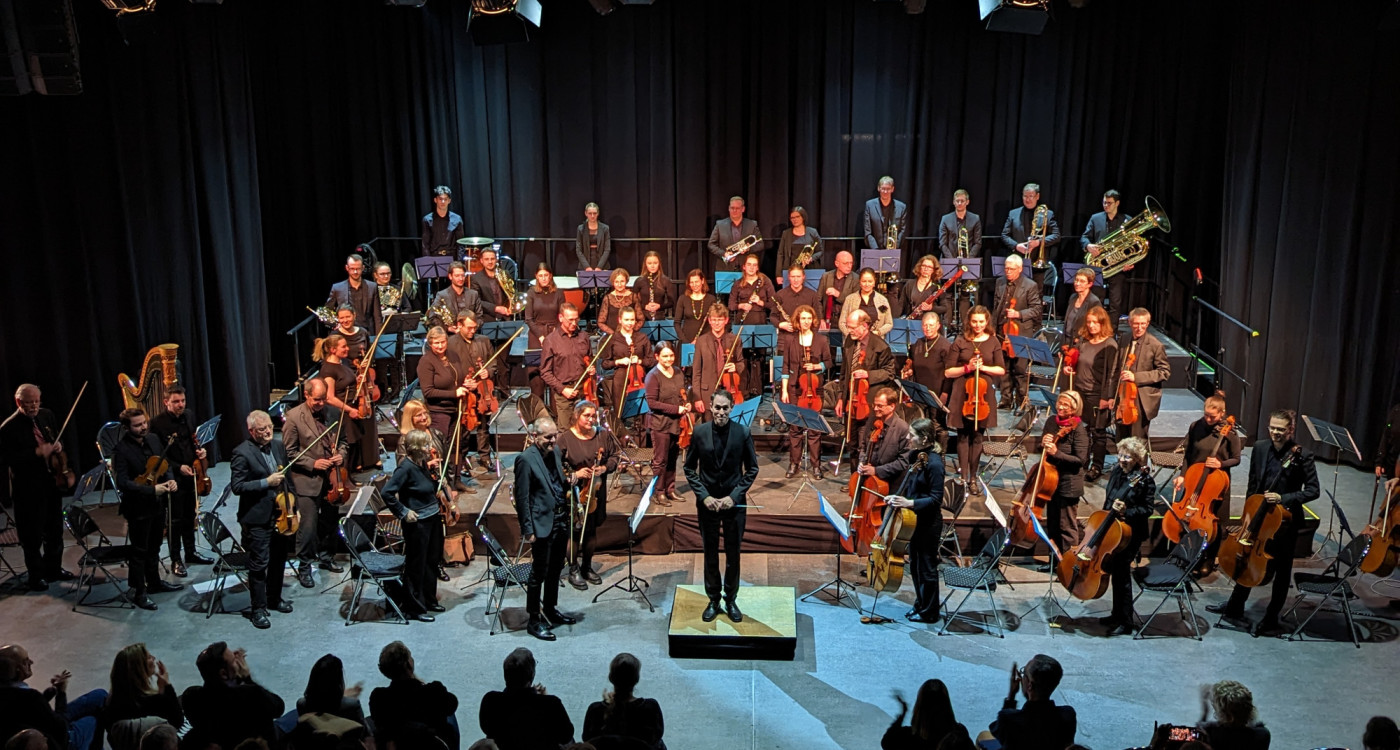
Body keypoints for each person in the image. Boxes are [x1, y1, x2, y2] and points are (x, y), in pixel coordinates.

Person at [1209, 409, 1319, 636]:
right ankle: (1234, 607)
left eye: (1281, 429)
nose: (1275, 433)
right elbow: (1253, 483)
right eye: (1272, 428)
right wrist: (1248, 515)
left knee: (1282, 571)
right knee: (1247, 557)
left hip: (1285, 522)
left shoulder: (1303, 455)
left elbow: (1312, 490)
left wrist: (1283, 498)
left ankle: (1271, 619)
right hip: (1258, 516)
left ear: (1291, 430)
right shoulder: (1260, 447)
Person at [683, 389, 759, 622]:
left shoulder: (743, 432)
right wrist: (704, 496)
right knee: (710, 553)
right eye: (717, 407)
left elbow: (752, 469)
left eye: (725, 408)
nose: (721, 412)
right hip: (708, 505)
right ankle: (713, 599)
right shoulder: (699, 432)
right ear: (710, 407)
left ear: (732, 408)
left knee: (733, 554)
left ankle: (731, 599)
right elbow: (689, 468)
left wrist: (733, 497)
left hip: (733, 505)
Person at [0, 384, 73, 591]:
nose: (33, 406)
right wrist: (36, 453)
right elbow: (7, 459)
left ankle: (54, 569)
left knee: (55, 530)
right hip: (28, 489)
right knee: (31, 536)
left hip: (51, 482)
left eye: (36, 401)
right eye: (29, 403)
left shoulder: (46, 415)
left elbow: (56, 437)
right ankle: (36, 576)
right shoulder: (8, 428)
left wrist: (58, 445)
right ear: (18, 402)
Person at [280, 379, 350, 589]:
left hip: (332, 479)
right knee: (308, 527)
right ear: (307, 395)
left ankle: (327, 557)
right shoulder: (294, 417)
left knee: (330, 522)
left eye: (323, 399)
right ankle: (304, 566)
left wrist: (341, 455)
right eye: (317, 400)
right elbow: (289, 453)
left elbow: (343, 442)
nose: (321, 403)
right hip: (307, 481)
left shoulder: (334, 413)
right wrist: (313, 463)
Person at [111, 408, 184, 610]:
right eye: (137, 425)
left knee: (154, 546)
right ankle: (139, 591)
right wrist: (151, 490)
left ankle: (154, 583)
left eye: (144, 423)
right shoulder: (121, 450)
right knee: (139, 551)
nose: (143, 427)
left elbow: (164, 463)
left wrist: (170, 480)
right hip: (138, 508)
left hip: (157, 504)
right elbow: (123, 482)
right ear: (127, 428)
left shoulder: (153, 439)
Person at [229, 410, 295, 630]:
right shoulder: (241, 452)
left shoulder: (278, 446)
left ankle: (274, 598)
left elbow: (288, 479)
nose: (267, 431)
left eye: (269, 427)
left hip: (281, 514)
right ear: (251, 431)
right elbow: (238, 486)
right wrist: (266, 482)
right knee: (259, 565)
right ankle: (258, 609)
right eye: (262, 429)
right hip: (257, 518)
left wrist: (293, 507)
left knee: (279, 559)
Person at [514, 418, 576, 641]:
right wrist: (527, 529)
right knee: (538, 572)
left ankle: (550, 608)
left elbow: (558, 482)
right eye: (548, 437)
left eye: (555, 435)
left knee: (556, 568)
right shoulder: (525, 459)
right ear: (534, 436)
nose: (553, 440)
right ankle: (534, 619)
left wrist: (571, 480)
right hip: (541, 523)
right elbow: (522, 498)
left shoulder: (556, 452)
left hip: (560, 519)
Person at [382, 429, 449, 622]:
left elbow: (426, 489)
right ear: (416, 448)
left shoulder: (422, 464)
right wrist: (403, 512)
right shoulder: (405, 468)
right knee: (416, 565)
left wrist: (439, 482)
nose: (430, 448)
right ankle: (414, 608)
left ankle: (429, 600)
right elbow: (387, 493)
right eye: (426, 445)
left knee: (432, 561)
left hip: (432, 518)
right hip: (418, 523)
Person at [883, 419, 945, 624]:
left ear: (925, 438)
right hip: (913, 520)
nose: (908, 438)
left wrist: (909, 503)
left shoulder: (934, 464)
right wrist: (897, 498)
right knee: (916, 566)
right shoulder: (915, 456)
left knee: (927, 568)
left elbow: (936, 499)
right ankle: (920, 604)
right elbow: (911, 487)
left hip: (928, 524)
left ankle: (930, 612)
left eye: (912, 435)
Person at [1173, 392, 1242, 574]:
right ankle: (1188, 554)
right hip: (1194, 480)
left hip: (1216, 484)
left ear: (1222, 413)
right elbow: (1188, 454)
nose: (1208, 419)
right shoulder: (1196, 426)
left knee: (1215, 524)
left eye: (1212, 416)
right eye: (1206, 415)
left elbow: (1236, 459)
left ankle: (1209, 558)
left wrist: (1221, 464)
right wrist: (1182, 475)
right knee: (1188, 519)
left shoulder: (1230, 434)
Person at [147, 385, 212, 578]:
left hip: (192, 473)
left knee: (190, 515)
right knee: (175, 520)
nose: (180, 405)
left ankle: (191, 552)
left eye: (182, 400)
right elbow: (158, 455)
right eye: (176, 402)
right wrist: (177, 467)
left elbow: (193, 441)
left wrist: (200, 452)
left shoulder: (189, 415)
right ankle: (175, 558)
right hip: (172, 477)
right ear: (166, 402)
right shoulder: (157, 424)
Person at [943, 306, 1006, 491]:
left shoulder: (993, 341)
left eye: (981, 322)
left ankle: (973, 478)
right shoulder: (960, 341)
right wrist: (967, 368)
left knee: (978, 436)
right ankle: (963, 478)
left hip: (983, 396)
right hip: (962, 393)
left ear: (987, 322)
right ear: (969, 322)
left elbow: (1001, 369)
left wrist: (982, 367)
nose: (978, 325)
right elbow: (948, 371)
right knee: (962, 435)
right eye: (974, 321)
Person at [558, 401, 620, 590]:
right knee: (574, 532)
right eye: (587, 416)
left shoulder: (603, 434)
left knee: (591, 530)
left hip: (595, 492)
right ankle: (573, 569)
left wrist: (604, 468)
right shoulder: (565, 439)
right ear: (577, 416)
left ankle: (587, 566)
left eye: (594, 416)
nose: (591, 419)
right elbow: (554, 467)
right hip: (574, 494)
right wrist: (575, 475)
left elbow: (615, 456)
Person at [1098, 436, 1156, 636]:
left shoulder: (1145, 481)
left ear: (1137, 459)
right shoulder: (1116, 472)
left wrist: (1126, 511)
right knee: (1116, 573)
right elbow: (1109, 500)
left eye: (1127, 457)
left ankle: (1126, 622)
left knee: (1122, 576)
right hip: (1113, 530)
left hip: (1130, 533)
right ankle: (1116, 615)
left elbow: (1147, 509)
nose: (1122, 460)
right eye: (1121, 455)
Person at [181, 642, 285, 750]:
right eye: (234, 660)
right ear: (223, 674)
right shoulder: (252, 694)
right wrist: (247, 678)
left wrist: (234, 672)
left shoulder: (192, 698)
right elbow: (278, 708)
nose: (239, 660)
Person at [0, 645, 107, 750]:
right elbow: (62, 728)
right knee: (93, 720)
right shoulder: (31, 697)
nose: (31, 662)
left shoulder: (9, 694)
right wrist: (61, 693)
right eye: (25, 661)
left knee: (99, 696)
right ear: (18, 669)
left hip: (40, 728)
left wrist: (47, 695)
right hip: (57, 741)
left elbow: (25, 712)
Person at [836, 310, 898, 473]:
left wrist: (868, 374)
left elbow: (889, 373)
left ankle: (864, 479)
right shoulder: (849, 341)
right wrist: (841, 397)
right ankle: (854, 479)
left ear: (864, 326)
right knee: (851, 443)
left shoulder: (880, 346)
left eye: (852, 327)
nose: (849, 330)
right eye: (848, 327)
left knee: (864, 444)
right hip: (851, 402)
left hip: (868, 404)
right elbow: (844, 372)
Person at [369, 641, 459, 750]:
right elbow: (452, 704)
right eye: (410, 657)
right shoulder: (434, 691)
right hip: (432, 745)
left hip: (399, 745)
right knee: (449, 715)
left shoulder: (378, 698)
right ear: (408, 665)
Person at [479, 648, 574, 750]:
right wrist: (544, 698)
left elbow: (487, 729)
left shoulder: (491, 701)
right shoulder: (551, 704)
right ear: (532, 675)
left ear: (505, 675)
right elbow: (566, 736)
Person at [1063, 306, 1117, 481]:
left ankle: (1097, 466)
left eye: (1095, 322)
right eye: (1089, 322)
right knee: (1082, 429)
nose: (1091, 325)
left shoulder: (1109, 345)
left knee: (1098, 432)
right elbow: (1077, 361)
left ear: (1102, 323)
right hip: (1080, 392)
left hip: (1097, 394)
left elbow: (1112, 374)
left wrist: (1106, 397)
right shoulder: (1084, 341)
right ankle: (1082, 461)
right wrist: (1069, 368)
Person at [779, 305, 832, 479]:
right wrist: (784, 390)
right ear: (798, 320)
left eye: (809, 318)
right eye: (803, 318)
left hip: (815, 390)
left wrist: (817, 366)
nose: (806, 322)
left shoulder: (821, 340)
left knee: (815, 429)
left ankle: (816, 465)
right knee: (795, 428)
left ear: (813, 320)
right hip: (795, 389)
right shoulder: (790, 339)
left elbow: (829, 362)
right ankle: (794, 463)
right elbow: (786, 365)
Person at [987, 655, 1076, 750]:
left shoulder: (1008, 718)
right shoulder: (1068, 715)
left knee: (983, 736)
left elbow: (999, 732)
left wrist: (1011, 696)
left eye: (1024, 674)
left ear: (1030, 685)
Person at [318, 334, 377, 473]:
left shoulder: (342, 363)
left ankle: (351, 477)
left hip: (352, 408)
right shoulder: (328, 370)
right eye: (343, 346)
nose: (347, 349)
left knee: (355, 445)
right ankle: (345, 479)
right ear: (333, 350)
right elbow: (329, 397)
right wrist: (349, 410)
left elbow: (345, 383)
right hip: (342, 413)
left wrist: (358, 379)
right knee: (347, 447)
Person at [992, 253, 1043, 412]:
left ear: (1020, 269)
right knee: (1004, 367)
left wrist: (1018, 314)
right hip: (1002, 331)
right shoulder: (1000, 282)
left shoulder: (1030, 285)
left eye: (1011, 269)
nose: (1008, 272)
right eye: (1006, 268)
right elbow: (996, 307)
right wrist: (992, 328)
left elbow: (1036, 309)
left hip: (1020, 333)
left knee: (1020, 369)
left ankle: (1022, 401)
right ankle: (1006, 399)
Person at [582, 653, 666, 750]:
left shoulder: (595, 710)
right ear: (636, 679)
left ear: (611, 678)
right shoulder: (650, 708)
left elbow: (587, 739)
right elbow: (657, 736)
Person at [1039, 391, 1089, 555]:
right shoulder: (1051, 422)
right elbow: (1043, 447)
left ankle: (1068, 564)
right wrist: (1043, 443)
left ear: (1074, 408)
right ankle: (1053, 561)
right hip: (1051, 481)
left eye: (1065, 405)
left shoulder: (1079, 430)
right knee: (1052, 525)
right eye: (1059, 403)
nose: (1060, 407)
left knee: (1066, 527)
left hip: (1069, 484)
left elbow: (1080, 460)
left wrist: (1056, 453)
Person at [448, 313, 497, 475]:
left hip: (482, 390)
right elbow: (449, 368)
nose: (472, 331)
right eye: (469, 328)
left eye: (475, 328)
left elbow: (493, 363)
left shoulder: (484, 340)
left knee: (484, 425)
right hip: (464, 391)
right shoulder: (451, 343)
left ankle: (485, 457)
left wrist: (488, 371)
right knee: (463, 428)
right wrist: (463, 382)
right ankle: (461, 460)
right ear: (459, 325)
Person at [99, 644, 183, 739]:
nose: (154, 658)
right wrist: (166, 686)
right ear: (139, 667)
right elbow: (177, 722)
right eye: (149, 657)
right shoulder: (153, 702)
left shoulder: (113, 701)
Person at [1113, 308, 1172, 440]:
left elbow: (1164, 372)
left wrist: (1136, 377)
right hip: (1123, 396)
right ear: (1129, 323)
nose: (1139, 328)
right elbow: (1116, 367)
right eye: (1136, 324)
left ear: (1147, 324)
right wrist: (1111, 395)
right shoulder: (1124, 339)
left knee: (1137, 440)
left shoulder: (1155, 345)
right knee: (1121, 437)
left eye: (1143, 324)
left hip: (1141, 398)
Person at [644, 343, 689, 506]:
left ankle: (670, 489)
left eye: (671, 355)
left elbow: (682, 393)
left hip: (676, 423)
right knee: (660, 460)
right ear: (657, 357)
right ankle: (659, 492)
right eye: (664, 356)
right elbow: (652, 403)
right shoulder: (653, 376)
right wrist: (676, 409)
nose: (668, 359)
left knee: (672, 458)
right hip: (660, 423)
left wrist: (686, 403)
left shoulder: (677, 372)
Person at [540, 303, 595, 430]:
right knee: (566, 431)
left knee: (585, 429)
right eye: (570, 320)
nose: (574, 323)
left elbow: (590, 359)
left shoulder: (583, 336)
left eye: (576, 319)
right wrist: (563, 389)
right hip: (564, 393)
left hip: (584, 390)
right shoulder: (551, 340)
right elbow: (545, 372)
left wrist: (591, 368)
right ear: (561, 318)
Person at [903, 312, 952, 450]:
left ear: (938, 326)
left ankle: (939, 456)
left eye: (931, 325)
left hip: (937, 393)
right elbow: (914, 364)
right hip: (920, 393)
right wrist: (910, 371)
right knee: (921, 425)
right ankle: (923, 454)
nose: (928, 328)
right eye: (925, 325)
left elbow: (949, 374)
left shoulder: (945, 346)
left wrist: (945, 394)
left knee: (937, 426)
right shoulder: (918, 343)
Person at [728, 253, 773, 397]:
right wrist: (741, 305)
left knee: (759, 359)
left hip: (760, 324)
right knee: (743, 358)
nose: (752, 268)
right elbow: (730, 305)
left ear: (758, 267)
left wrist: (760, 302)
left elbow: (774, 304)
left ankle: (757, 391)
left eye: (754, 265)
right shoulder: (738, 284)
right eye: (749, 265)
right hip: (742, 324)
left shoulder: (765, 282)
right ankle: (744, 392)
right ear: (744, 267)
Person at [602, 307, 656, 423]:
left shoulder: (642, 338)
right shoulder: (613, 339)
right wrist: (618, 362)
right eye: (626, 320)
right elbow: (605, 364)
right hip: (620, 381)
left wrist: (640, 361)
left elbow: (652, 361)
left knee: (641, 412)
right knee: (620, 412)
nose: (630, 323)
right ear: (620, 320)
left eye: (632, 320)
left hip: (639, 381)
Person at [1081, 189, 1130, 315]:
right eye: (1104, 202)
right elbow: (1084, 237)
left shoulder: (1127, 220)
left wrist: (1130, 262)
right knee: (1096, 301)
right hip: (1099, 266)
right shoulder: (1095, 218)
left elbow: (1132, 243)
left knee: (1116, 303)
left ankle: (1113, 328)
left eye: (1109, 203)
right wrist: (1088, 246)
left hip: (1118, 267)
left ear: (1117, 203)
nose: (1106, 205)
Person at [523, 263, 566, 401]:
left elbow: (562, 316)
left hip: (554, 333)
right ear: (536, 276)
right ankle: (539, 407)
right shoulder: (531, 293)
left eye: (546, 275)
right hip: (536, 334)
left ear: (550, 276)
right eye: (540, 275)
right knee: (536, 371)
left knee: (555, 369)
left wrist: (555, 333)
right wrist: (540, 336)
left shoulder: (558, 293)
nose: (543, 278)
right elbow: (528, 319)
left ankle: (555, 408)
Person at [999, 183, 1062, 276]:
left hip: (1037, 263)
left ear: (1037, 196)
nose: (1027, 199)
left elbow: (1056, 236)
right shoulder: (1013, 214)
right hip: (1017, 262)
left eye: (1031, 196)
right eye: (1025, 196)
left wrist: (1038, 242)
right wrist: (1016, 246)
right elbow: (1004, 235)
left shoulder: (1048, 214)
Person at [689, 303, 739, 419]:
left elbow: (741, 363)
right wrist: (697, 398)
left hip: (728, 392)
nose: (717, 323)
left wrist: (736, 367)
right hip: (707, 394)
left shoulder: (735, 340)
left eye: (720, 320)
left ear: (726, 320)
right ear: (709, 321)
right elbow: (696, 372)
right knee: (708, 428)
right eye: (714, 320)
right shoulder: (701, 341)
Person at [882, 678, 957, 750]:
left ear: (919, 707)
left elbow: (887, 742)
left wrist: (903, 712)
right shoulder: (958, 737)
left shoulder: (909, 737)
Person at [294, 654, 365, 726]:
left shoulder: (301, 704)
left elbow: (324, 705)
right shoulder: (353, 706)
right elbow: (365, 731)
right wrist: (346, 699)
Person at [1198, 680, 1271, 750]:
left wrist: (1205, 712)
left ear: (1228, 717)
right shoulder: (1263, 735)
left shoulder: (1211, 735)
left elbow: (1198, 741)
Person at [327, 254, 383, 335]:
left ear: (363, 268)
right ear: (347, 268)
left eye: (358, 269)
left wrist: (379, 337)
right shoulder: (337, 288)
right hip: (345, 334)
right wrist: (336, 324)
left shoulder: (372, 287)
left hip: (367, 333)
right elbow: (327, 311)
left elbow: (377, 316)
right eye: (352, 269)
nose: (355, 272)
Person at [771, 265, 821, 350]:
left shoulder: (812, 295)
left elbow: (817, 317)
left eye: (798, 276)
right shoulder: (780, 295)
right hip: (785, 339)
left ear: (803, 277)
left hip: (806, 339)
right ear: (789, 277)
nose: (796, 280)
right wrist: (781, 325)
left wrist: (812, 335)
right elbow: (773, 316)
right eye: (793, 277)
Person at [707, 195, 761, 269]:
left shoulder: (752, 224)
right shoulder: (720, 225)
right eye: (732, 208)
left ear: (743, 209)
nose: (734, 211)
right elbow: (711, 244)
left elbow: (760, 244)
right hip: (725, 267)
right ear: (729, 208)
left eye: (737, 208)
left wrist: (748, 249)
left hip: (746, 268)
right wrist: (723, 254)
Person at [431, 262, 485, 333]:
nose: (461, 278)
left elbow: (480, 318)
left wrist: (471, 328)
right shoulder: (442, 295)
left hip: (471, 334)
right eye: (457, 276)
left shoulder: (473, 294)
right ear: (450, 276)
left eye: (463, 275)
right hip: (451, 336)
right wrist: (448, 328)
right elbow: (432, 317)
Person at [839, 268, 894, 337]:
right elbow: (842, 323)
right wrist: (852, 335)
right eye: (864, 281)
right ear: (859, 282)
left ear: (874, 282)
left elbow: (889, 323)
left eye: (870, 281)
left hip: (875, 340)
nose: (867, 284)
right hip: (854, 340)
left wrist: (878, 332)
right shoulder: (850, 299)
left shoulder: (882, 300)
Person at [864, 175, 909, 257]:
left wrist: (893, 248)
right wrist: (876, 250)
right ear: (878, 188)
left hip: (893, 252)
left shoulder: (901, 207)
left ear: (892, 189)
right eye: (883, 188)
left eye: (888, 189)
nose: (885, 191)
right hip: (874, 250)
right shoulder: (869, 205)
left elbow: (903, 230)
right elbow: (868, 231)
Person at [901, 255, 951, 325]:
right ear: (919, 267)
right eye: (924, 266)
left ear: (934, 270)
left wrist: (931, 308)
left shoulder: (937, 287)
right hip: (912, 323)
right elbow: (901, 304)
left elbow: (944, 308)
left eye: (929, 267)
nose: (926, 269)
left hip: (930, 324)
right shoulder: (910, 284)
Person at [673, 269, 718, 344]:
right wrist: (685, 341)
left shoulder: (711, 299)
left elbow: (714, 322)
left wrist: (702, 340)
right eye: (691, 282)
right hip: (686, 341)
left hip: (706, 341)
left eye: (696, 282)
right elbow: (676, 323)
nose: (694, 285)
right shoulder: (683, 299)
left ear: (702, 281)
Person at [818, 250, 860, 330]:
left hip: (846, 322)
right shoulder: (826, 276)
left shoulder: (856, 279)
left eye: (851, 263)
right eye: (846, 263)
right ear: (837, 263)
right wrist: (821, 319)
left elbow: (854, 303)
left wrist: (838, 294)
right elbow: (818, 300)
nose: (849, 266)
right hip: (828, 320)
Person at [1061, 268, 1101, 348]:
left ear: (1090, 284)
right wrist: (1063, 344)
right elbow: (1067, 324)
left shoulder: (1094, 302)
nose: (1077, 283)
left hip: (1082, 345)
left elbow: (1096, 327)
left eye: (1082, 281)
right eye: (1076, 280)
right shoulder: (1073, 297)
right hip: (1067, 342)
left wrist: (1080, 341)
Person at [421, 185, 465, 257]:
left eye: (445, 199)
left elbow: (460, 244)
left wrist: (459, 262)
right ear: (435, 200)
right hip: (434, 257)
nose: (443, 201)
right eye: (440, 199)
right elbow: (425, 245)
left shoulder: (457, 219)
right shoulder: (427, 220)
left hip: (452, 258)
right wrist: (427, 261)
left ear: (449, 201)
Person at [938, 189, 983, 259]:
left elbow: (978, 243)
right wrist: (952, 260)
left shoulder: (975, 219)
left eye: (962, 201)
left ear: (967, 202)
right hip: (949, 259)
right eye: (957, 201)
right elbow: (942, 243)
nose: (959, 203)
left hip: (969, 260)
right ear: (953, 202)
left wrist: (968, 259)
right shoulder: (945, 219)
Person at [776, 206, 823, 271]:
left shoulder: (813, 232)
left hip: (810, 268)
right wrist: (778, 273)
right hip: (790, 270)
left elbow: (820, 251)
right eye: (792, 218)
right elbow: (780, 254)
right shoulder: (786, 233)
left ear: (803, 217)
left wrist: (811, 258)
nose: (795, 220)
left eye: (797, 217)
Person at [598, 268, 642, 336]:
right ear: (613, 282)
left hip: (629, 335)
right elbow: (601, 322)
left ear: (626, 281)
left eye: (622, 281)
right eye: (616, 282)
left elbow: (641, 319)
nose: (619, 284)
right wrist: (613, 334)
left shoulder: (633, 297)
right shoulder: (608, 298)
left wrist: (631, 331)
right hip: (613, 336)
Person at [634, 251, 674, 323]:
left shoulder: (665, 280)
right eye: (649, 263)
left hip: (660, 318)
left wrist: (659, 306)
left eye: (655, 263)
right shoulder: (639, 281)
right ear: (645, 264)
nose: (652, 266)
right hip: (642, 319)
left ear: (659, 264)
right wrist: (645, 306)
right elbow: (633, 301)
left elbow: (671, 302)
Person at [575, 202, 612, 271]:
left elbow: (607, 249)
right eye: (590, 213)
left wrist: (600, 266)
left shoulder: (605, 228)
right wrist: (586, 266)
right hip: (585, 266)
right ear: (586, 213)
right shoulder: (581, 229)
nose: (592, 216)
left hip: (603, 266)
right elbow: (578, 250)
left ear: (598, 213)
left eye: (594, 213)